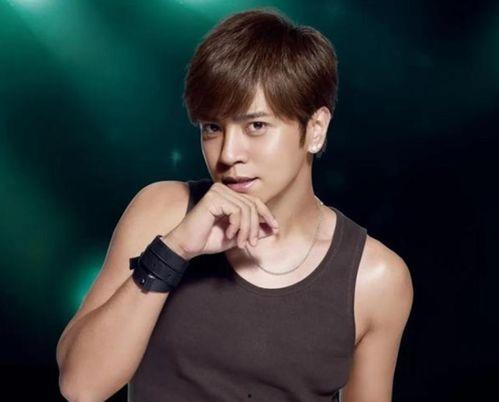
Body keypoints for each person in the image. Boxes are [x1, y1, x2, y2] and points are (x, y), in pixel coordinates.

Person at [56, 7, 413, 402]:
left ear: (315, 129)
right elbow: (81, 386)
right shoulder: (163, 210)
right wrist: (175, 250)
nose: (227, 154)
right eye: (213, 128)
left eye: (256, 126)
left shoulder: (375, 277)